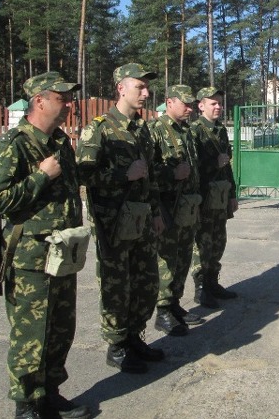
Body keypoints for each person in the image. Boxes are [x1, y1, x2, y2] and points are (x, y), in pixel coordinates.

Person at [0, 72, 91, 419]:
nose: (69, 104)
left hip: (62, 253)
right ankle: (27, 403)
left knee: (61, 327)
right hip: (30, 257)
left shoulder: (61, 142)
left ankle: (51, 392)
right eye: (62, 97)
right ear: (39, 100)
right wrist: (42, 176)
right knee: (32, 333)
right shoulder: (12, 144)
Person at [76, 63, 165, 374]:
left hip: (141, 220)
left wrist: (156, 211)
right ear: (121, 89)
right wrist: (121, 175)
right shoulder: (99, 128)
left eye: (147, 87)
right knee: (117, 286)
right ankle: (117, 345)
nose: (146, 92)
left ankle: (134, 336)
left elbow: (150, 176)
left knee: (147, 283)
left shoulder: (142, 129)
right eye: (139, 87)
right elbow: (83, 174)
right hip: (113, 223)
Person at [150, 84, 204, 335]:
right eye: (186, 104)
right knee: (168, 260)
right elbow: (148, 172)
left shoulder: (186, 131)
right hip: (168, 207)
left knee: (183, 258)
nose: (190, 109)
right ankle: (163, 311)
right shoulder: (157, 131)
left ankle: (174, 303)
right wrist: (172, 173)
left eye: (192, 104)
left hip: (187, 207)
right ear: (169, 102)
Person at [189, 87, 238, 309]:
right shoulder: (195, 131)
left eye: (220, 103)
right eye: (213, 103)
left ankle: (212, 282)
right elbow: (191, 168)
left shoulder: (220, 131)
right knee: (203, 244)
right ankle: (201, 289)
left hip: (220, 196)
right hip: (204, 198)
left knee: (219, 241)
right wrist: (213, 164)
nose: (218, 107)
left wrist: (232, 195)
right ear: (201, 106)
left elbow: (227, 166)